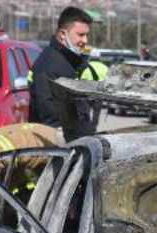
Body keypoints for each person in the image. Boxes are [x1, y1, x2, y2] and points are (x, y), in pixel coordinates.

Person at [28, 6, 97, 141]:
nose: (85, 41)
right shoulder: (48, 66)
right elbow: (52, 119)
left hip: (78, 139)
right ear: (62, 34)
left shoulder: (72, 60)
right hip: (61, 146)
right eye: (81, 35)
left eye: (87, 35)